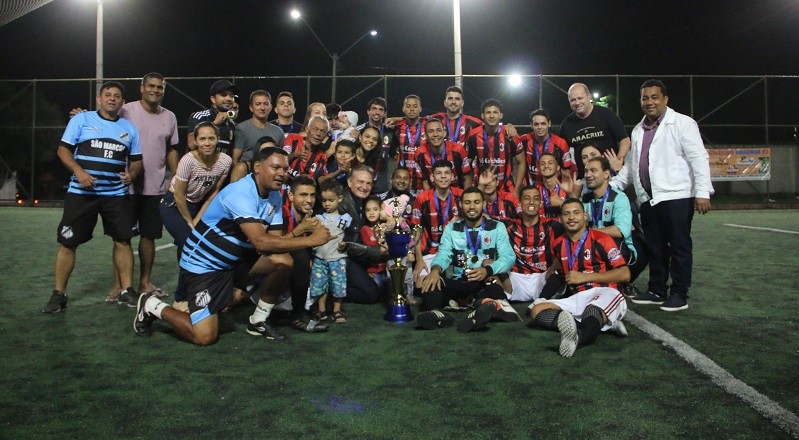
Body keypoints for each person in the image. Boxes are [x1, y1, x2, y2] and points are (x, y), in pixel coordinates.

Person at [133, 147, 334, 345]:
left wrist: (299, 236)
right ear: (257, 167)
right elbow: (261, 242)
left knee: (283, 261)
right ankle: (152, 305)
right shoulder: (240, 193)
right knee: (204, 336)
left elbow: (274, 243)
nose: (281, 174)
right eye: (275, 168)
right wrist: (311, 240)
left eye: (284, 169)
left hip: (235, 263)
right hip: (205, 267)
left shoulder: (274, 194)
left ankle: (258, 320)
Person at [43, 81, 143, 313]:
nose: (112, 98)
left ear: (122, 102)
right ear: (99, 99)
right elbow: (63, 150)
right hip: (82, 194)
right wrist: (79, 172)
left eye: (116, 96)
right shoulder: (81, 120)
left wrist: (132, 174)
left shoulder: (129, 128)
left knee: (123, 241)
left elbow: (137, 160)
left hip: (115, 195)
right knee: (68, 242)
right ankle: (59, 294)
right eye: (107, 95)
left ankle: (126, 290)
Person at [614, 79, 713, 311]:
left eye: (654, 97)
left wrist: (702, 192)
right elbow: (631, 164)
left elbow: (699, 157)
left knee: (679, 246)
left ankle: (679, 293)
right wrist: (613, 185)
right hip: (648, 198)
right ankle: (657, 290)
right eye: (645, 98)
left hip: (676, 196)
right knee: (656, 247)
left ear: (665, 99)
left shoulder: (683, 123)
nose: (649, 102)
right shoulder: (638, 129)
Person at [104, 73, 180, 301]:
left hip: (154, 188)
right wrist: (82, 117)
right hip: (124, 187)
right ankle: (119, 286)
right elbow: (103, 119)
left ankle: (144, 282)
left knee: (149, 237)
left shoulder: (170, 117)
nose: (155, 90)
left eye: (160, 87)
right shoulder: (125, 110)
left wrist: (176, 175)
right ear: (142, 88)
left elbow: (172, 149)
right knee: (122, 238)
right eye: (151, 86)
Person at [528, 198, 630, 358]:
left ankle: (577, 337)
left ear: (585, 216)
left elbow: (625, 274)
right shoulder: (558, 244)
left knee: (593, 310)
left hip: (605, 292)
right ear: (560, 219)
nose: (571, 217)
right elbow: (559, 272)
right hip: (578, 296)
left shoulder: (602, 239)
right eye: (566, 214)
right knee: (537, 311)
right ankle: (604, 325)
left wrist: (583, 277)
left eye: (576, 213)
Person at [415, 187, 516, 332]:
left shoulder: (497, 227)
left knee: (492, 285)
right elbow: (443, 254)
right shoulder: (452, 228)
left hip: (481, 282)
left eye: (476, 202)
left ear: (483, 204)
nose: (472, 206)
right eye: (467, 202)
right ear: (460, 205)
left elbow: (509, 257)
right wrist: (435, 270)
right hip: (458, 282)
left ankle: (478, 312)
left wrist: (487, 270)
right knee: (430, 283)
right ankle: (440, 316)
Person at [160, 122, 232, 311]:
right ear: (195, 141)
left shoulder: (225, 161)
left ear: (217, 140)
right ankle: (180, 298)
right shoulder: (188, 160)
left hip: (198, 206)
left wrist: (198, 217)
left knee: (194, 246)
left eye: (211, 138)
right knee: (191, 246)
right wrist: (189, 222)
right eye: (202, 139)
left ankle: (200, 291)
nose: (207, 143)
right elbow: (179, 195)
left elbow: (213, 192)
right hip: (174, 206)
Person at [582, 156, 647, 293]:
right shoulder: (585, 199)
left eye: (593, 170)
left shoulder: (619, 198)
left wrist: (590, 231)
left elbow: (621, 231)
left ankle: (619, 281)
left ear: (607, 174)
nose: (588, 175)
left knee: (607, 242)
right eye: (586, 171)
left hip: (619, 251)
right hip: (594, 250)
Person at [280, 175, 330, 333]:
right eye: (303, 195)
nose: (309, 200)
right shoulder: (282, 214)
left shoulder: (312, 218)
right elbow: (273, 246)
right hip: (270, 276)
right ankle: (298, 315)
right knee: (301, 254)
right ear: (291, 196)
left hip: (291, 280)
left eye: (312, 195)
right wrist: (301, 231)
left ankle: (308, 307)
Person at [559, 83, 631, 178]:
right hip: (585, 178)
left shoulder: (607, 115)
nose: (577, 103)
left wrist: (618, 160)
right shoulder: (566, 124)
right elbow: (562, 152)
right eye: (573, 100)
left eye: (580, 98)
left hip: (610, 175)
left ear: (589, 96)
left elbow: (625, 140)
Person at [411, 160, 463, 285]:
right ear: (432, 177)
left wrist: (460, 218)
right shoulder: (422, 198)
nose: (443, 176)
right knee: (421, 285)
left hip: (456, 251)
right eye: (439, 173)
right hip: (430, 252)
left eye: (447, 173)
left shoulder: (461, 196)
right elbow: (416, 230)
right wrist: (419, 260)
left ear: (452, 176)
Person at [338, 165, 385, 304]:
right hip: (342, 258)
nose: (364, 187)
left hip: (358, 257)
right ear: (349, 182)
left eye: (368, 183)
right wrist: (377, 252)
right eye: (360, 182)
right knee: (372, 295)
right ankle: (330, 290)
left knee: (381, 289)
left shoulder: (366, 201)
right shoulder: (341, 204)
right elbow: (343, 244)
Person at [500, 185, 556, 302]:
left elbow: (578, 225)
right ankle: (500, 302)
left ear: (540, 203)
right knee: (489, 264)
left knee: (561, 265)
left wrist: (571, 195)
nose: (531, 202)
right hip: (515, 280)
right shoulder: (508, 225)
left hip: (542, 279)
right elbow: (483, 218)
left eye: (536, 198)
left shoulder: (552, 226)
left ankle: (541, 301)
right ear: (519, 203)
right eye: (526, 198)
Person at [309, 179, 353, 323]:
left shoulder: (345, 219)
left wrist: (344, 245)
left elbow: (350, 238)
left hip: (337, 258)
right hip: (319, 258)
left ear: (339, 199)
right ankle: (321, 310)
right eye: (324, 200)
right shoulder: (317, 218)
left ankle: (336, 310)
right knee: (319, 284)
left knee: (338, 285)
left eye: (331, 200)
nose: (327, 204)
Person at [466, 98, 523, 194]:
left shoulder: (510, 134)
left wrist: (516, 190)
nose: (492, 116)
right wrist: (470, 185)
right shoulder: (473, 136)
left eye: (495, 112)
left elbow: (522, 161)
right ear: (482, 115)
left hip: (506, 188)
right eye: (488, 112)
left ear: (501, 115)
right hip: (482, 187)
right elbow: (467, 163)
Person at [514, 109, 575, 195]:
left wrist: (564, 193)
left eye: (543, 123)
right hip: (531, 190)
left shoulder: (560, 143)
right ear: (531, 125)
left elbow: (566, 171)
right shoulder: (524, 140)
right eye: (536, 124)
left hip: (554, 190)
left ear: (549, 124)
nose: (539, 127)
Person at [415, 118, 473, 190]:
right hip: (434, 194)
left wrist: (465, 197)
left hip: (457, 193)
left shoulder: (458, 150)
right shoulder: (420, 153)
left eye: (439, 130)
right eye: (431, 131)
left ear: (444, 133)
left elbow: (467, 176)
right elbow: (425, 181)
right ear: (425, 136)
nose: (435, 134)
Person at [232, 90, 285, 165]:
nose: (262, 108)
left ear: (270, 107)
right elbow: (235, 159)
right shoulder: (241, 128)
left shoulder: (278, 132)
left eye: (266, 104)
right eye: (258, 104)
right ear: (251, 107)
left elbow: (281, 159)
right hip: (247, 173)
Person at [187, 79, 238, 155]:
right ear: (213, 99)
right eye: (224, 95)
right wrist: (215, 124)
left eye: (231, 96)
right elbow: (192, 145)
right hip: (198, 166)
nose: (229, 99)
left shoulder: (232, 124)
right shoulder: (199, 117)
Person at [391, 95, 425, 192]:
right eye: (408, 106)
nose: (411, 109)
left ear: (420, 109)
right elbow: (392, 153)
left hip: (423, 181)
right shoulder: (397, 127)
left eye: (415, 106)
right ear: (403, 109)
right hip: (402, 181)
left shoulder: (427, 127)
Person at [286, 115, 330, 183]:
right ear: (307, 129)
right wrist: (295, 154)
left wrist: (339, 171)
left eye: (323, 131)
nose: (318, 134)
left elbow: (321, 180)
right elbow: (280, 162)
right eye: (315, 129)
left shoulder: (322, 156)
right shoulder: (293, 139)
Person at [353, 125, 392, 196]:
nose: (371, 141)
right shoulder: (349, 154)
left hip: (371, 197)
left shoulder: (381, 158)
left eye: (375, 139)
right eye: (367, 136)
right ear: (360, 137)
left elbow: (381, 187)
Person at [360, 196, 389, 292]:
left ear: (381, 210)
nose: (371, 213)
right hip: (374, 271)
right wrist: (378, 239)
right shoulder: (365, 229)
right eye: (368, 210)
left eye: (375, 209)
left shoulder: (386, 226)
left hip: (387, 269)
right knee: (377, 292)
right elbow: (368, 248)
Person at [537, 152, 568, 231]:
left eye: (550, 163)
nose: (546, 166)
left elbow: (579, 211)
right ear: (538, 169)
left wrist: (562, 204)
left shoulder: (567, 188)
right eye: (542, 164)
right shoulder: (534, 191)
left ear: (557, 167)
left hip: (564, 231)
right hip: (542, 233)